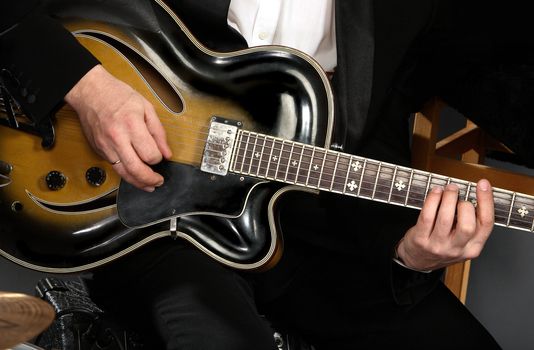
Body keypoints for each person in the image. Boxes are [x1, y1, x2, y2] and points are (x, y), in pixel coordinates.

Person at [3, 0, 532, 349]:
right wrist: (85, 87)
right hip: (151, 210)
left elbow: (380, 126)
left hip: (311, 223)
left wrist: (407, 250)